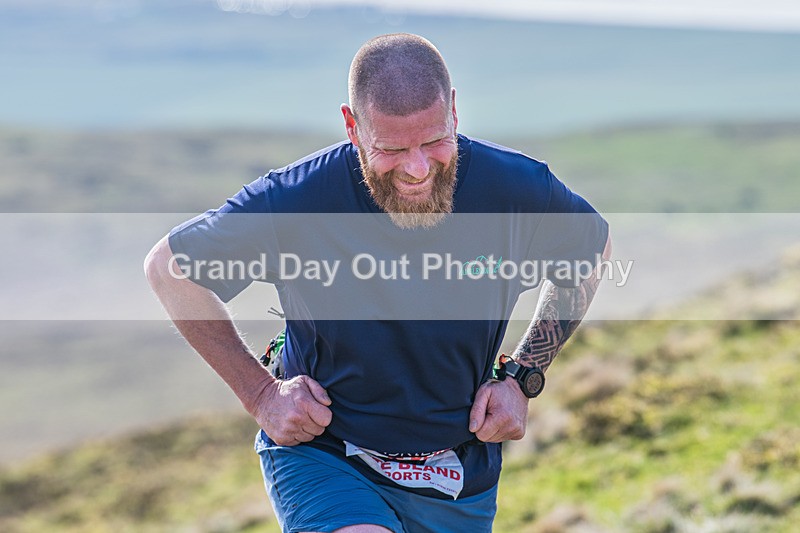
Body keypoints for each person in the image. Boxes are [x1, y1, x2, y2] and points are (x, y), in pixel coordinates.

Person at [145, 33, 610, 533]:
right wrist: (260, 395)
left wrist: (523, 377)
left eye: (434, 142)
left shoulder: (515, 188)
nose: (416, 169)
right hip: (327, 454)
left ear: (453, 110)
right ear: (352, 126)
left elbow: (591, 251)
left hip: (458, 472)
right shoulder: (297, 199)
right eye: (391, 149)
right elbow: (169, 268)